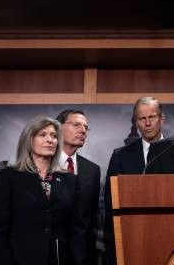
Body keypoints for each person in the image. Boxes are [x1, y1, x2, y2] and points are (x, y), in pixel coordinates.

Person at [0, 117, 86, 265]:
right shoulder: (8, 177)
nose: (50, 140)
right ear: (29, 140)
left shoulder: (70, 180)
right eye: (42, 135)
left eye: (53, 136)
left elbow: (77, 230)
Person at [103, 97, 166, 264]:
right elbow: (111, 205)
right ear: (136, 122)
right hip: (131, 240)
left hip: (168, 235)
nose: (147, 123)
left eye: (151, 117)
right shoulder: (120, 156)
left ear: (161, 119)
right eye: (141, 119)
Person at [56, 109, 101, 265]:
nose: (83, 131)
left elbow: (92, 220)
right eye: (76, 125)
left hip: (82, 258)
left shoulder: (92, 170)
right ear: (58, 127)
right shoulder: (40, 165)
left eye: (85, 127)